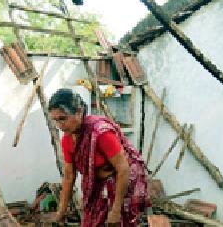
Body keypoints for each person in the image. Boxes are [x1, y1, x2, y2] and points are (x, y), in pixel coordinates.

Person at [48, 88, 151, 226]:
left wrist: (115, 210)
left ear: (79, 112)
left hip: (120, 184)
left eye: (63, 119)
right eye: (55, 120)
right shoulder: (67, 139)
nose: (59, 125)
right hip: (96, 187)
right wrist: (61, 211)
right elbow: (69, 176)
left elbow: (123, 169)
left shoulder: (101, 133)